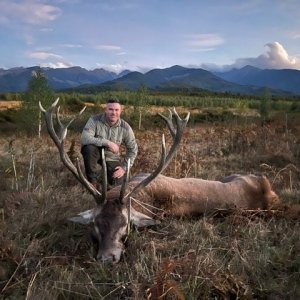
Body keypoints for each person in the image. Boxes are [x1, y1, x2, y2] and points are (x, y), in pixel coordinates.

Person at [80, 98, 138, 189]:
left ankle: (108, 184)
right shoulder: (94, 120)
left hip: (112, 158)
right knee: (89, 148)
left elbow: (133, 149)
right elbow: (84, 138)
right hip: (96, 152)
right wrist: (107, 143)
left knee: (119, 183)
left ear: (120, 111)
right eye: (110, 109)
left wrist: (124, 168)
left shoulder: (126, 128)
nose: (113, 113)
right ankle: (93, 183)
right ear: (105, 110)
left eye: (116, 110)